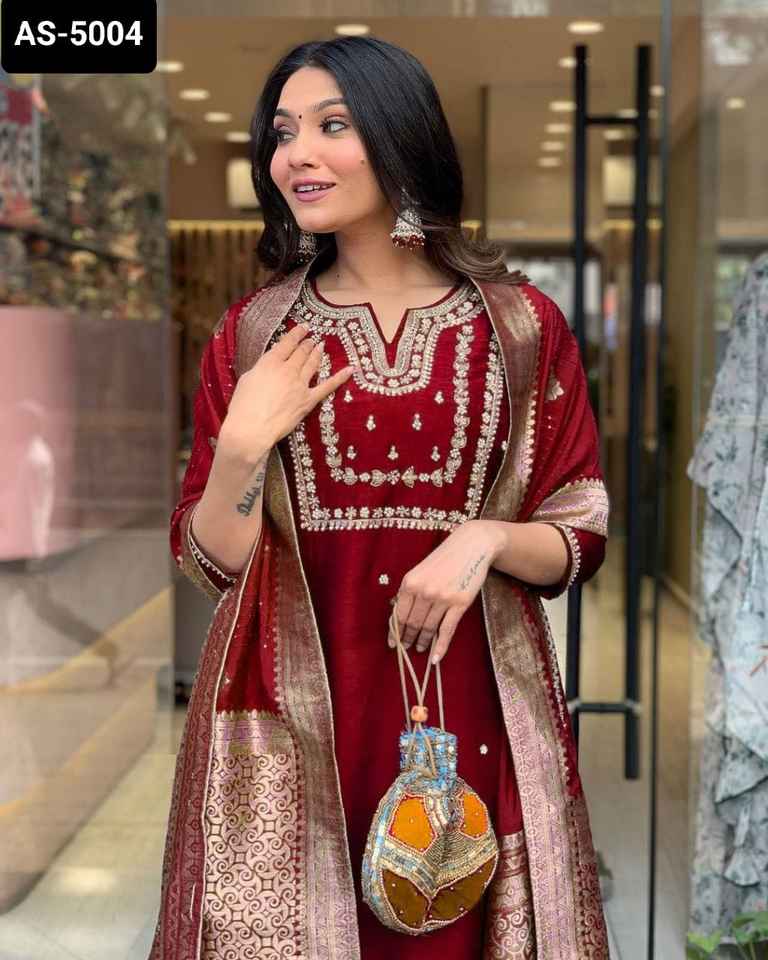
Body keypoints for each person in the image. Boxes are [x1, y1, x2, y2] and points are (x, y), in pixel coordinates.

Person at [150, 35, 611, 960]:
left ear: (401, 135)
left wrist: (483, 539)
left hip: (471, 700)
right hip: (292, 706)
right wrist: (240, 449)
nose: (297, 154)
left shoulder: (520, 326)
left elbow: (579, 523)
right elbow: (213, 562)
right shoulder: (254, 334)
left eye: (333, 125)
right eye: (283, 133)